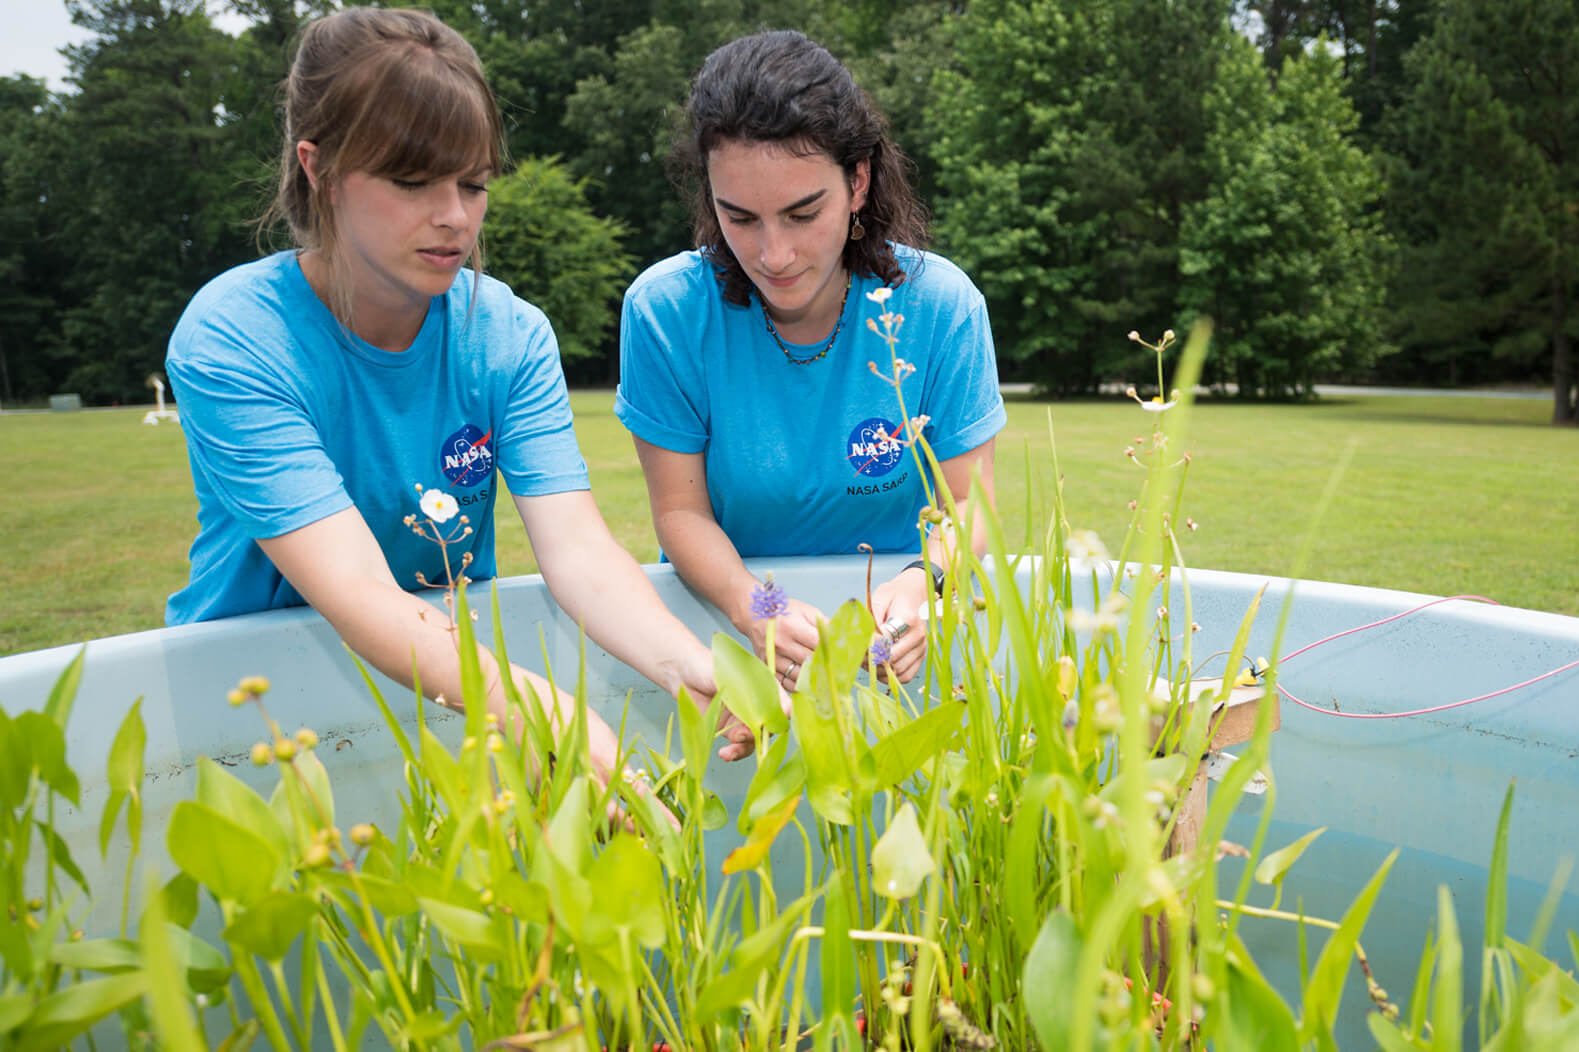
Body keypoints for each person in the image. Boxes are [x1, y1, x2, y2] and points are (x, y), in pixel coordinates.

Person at [164, 6, 750, 782]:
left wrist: (692, 669)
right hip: (254, 720)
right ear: (320, 169)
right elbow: (359, 590)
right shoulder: (236, 340)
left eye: (472, 184)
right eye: (411, 182)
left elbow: (577, 552)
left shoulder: (507, 335)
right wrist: (549, 712)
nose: (453, 218)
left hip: (461, 696)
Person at [616, 29, 1006, 689]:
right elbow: (680, 513)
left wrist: (922, 589)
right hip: (727, 640)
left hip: (899, 651)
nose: (773, 255)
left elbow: (968, 503)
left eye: (802, 214)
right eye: (739, 217)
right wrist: (756, 606)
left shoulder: (944, 308)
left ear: (857, 182)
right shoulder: (666, 312)